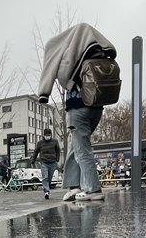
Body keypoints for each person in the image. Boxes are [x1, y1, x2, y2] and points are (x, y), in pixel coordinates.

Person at [38, 23, 115, 202]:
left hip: (78, 107)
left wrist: (44, 92)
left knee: (82, 149)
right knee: (76, 145)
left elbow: (56, 70)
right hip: (96, 106)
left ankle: (92, 189)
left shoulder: (67, 54)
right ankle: (74, 185)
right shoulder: (97, 51)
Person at [29, 128, 61, 200]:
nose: (48, 136)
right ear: (44, 135)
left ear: (51, 135)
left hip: (52, 162)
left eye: (49, 135)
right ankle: (46, 192)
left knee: (49, 178)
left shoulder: (55, 141)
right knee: (45, 177)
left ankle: (47, 187)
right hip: (44, 162)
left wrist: (57, 158)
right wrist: (33, 161)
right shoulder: (40, 143)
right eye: (46, 135)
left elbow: (58, 150)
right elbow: (36, 152)